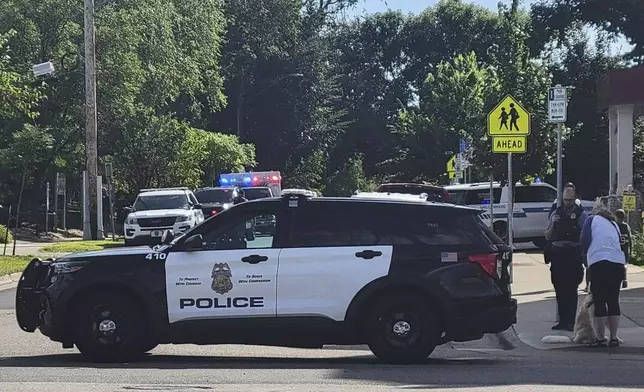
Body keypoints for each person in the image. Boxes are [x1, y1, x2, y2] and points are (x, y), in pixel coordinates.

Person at [580, 206, 627, 347]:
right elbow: (621, 243)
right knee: (613, 300)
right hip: (617, 263)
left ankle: (600, 338)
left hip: (599, 261)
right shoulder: (614, 225)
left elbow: (584, 239)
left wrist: (585, 258)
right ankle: (614, 337)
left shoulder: (591, 220)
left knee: (599, 300)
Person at [544, 184, 589, 331]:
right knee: (559, 289)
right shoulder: (556, 213)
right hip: (557, 255)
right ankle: (562, 321)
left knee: (571, 290)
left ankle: (570, 321)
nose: (567, 203)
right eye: (565, 199)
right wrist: (554, 224)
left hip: (573, 255)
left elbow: (584, 235)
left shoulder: (581, 214)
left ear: (575, 197)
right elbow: (547, 235)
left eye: (570, 200)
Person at [614, 209, 632, 288]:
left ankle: (617, 280)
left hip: (617, 248)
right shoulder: (626, 226)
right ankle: (624, 280)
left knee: (616, 265)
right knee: (624, 265)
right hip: (625, 248)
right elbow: (630, 239)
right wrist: (630, 250)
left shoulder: (614, 225)